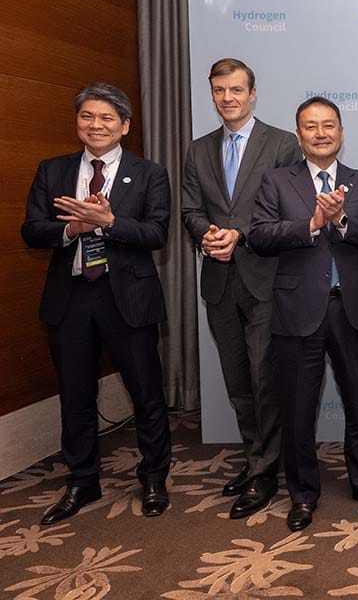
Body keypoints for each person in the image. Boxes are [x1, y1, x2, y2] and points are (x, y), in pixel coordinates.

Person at [22, 83, 173, 524]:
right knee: (76, 396)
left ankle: (153, 477)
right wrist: (68, 231)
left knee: (146, 392)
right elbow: (31, 230)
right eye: (87, 116)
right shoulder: (53, 170)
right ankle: (83, 480)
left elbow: (157, 233)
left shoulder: (149, 174)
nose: (96, 125)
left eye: (107, 118)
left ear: (124, 126)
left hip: (126, 297)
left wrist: (110, 222)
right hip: (70, 299)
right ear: (77, 123)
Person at [249, 96, 358, 532]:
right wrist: (311, 224)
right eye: (311, 126)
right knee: (298, 409)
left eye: (329, 125)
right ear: (299, 135)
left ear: (341, 133)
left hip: (349, 308)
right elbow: (259, 236)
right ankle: (302, 494)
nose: (321, 133)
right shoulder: (276, 181)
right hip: (297, 310)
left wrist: (343, 220)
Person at [180, 58, 301, 518]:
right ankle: (257, 459)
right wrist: (206, 235)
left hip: (265, 278)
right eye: (218, 91)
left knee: (264, 379)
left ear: (252, 94)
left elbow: (290, 207)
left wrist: (241, 233)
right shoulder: (198, 149)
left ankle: (267, 471)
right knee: (237, 383)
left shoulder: (283, 144)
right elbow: (191, 209)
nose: (226, 98)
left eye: (235, 90)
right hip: (218, 279)